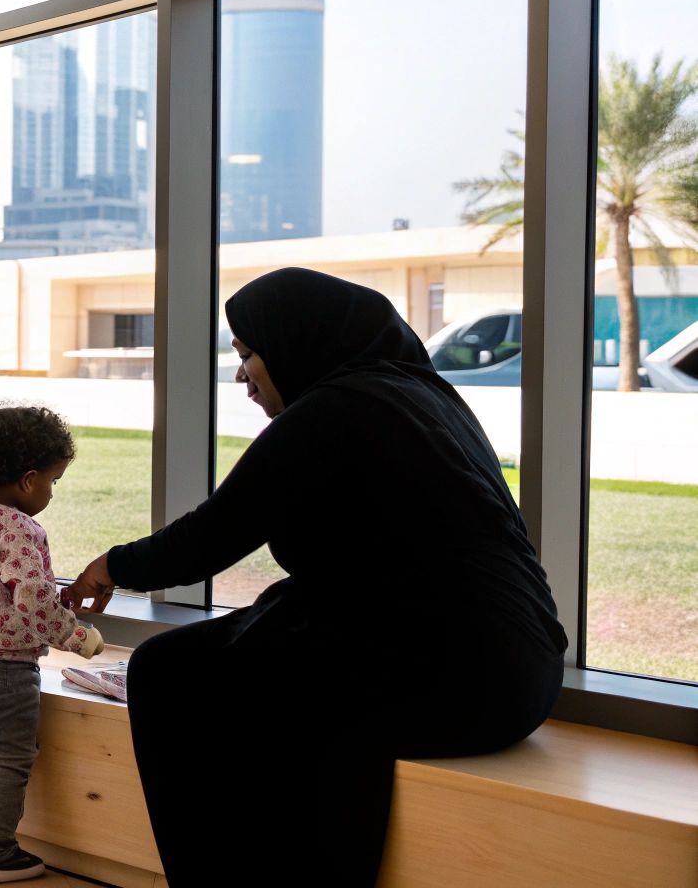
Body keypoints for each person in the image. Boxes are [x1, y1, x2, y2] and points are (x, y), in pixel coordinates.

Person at [61, 268, 567, 887]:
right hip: (520, 672)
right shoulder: (423, 397)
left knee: (169, 675)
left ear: (299, 339)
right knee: (223, 650)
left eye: (249, 354)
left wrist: (110, 566)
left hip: (454, 680)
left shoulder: (335, 409)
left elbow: (211, 536)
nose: (242, 375)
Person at [0, 404, 106, 884]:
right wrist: (78, 637)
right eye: (54, 480)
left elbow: (1, 588)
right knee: (10, 758)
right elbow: (31, 599)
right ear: (29, 480)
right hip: (0, 668)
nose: (52, 490)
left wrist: (58, 597)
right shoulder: (20, 527)